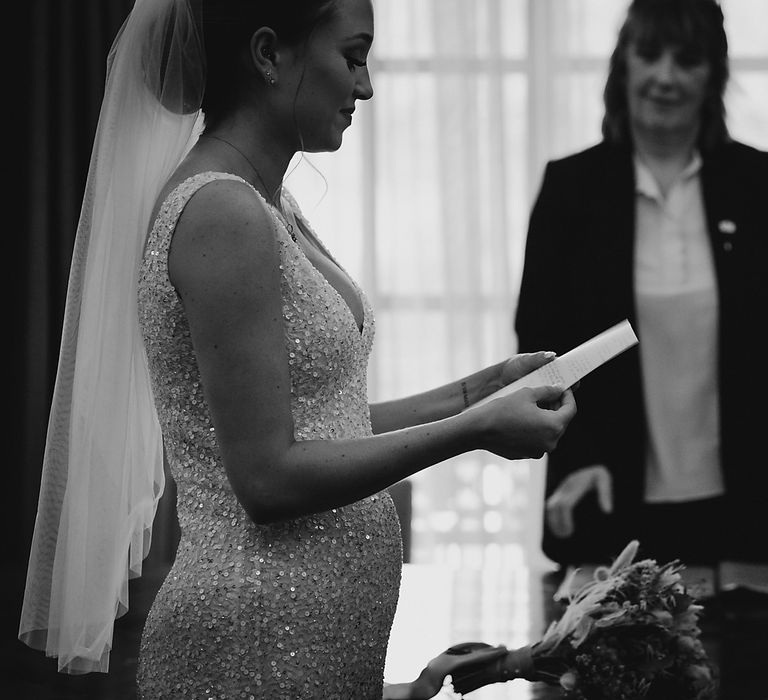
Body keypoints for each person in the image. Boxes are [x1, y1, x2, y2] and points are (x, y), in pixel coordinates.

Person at [18, 0, 576, 697]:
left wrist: (480, 390)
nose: (366, 86)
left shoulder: (270, 205)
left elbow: (323, 425)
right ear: (268, 54)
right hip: (254, 640)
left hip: (305, 646)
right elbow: (268, 477)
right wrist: (474, 430)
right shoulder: (221, 212)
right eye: (353, 55)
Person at [515, 0, 768, 577]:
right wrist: (575, 453)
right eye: (650, 54)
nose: (666, 77)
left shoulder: (758, 187)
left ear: (714, 75)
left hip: (746, 502)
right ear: (623, 66)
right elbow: (540, 347)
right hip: (605, 490)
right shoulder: (572, 189)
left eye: (689, 59)